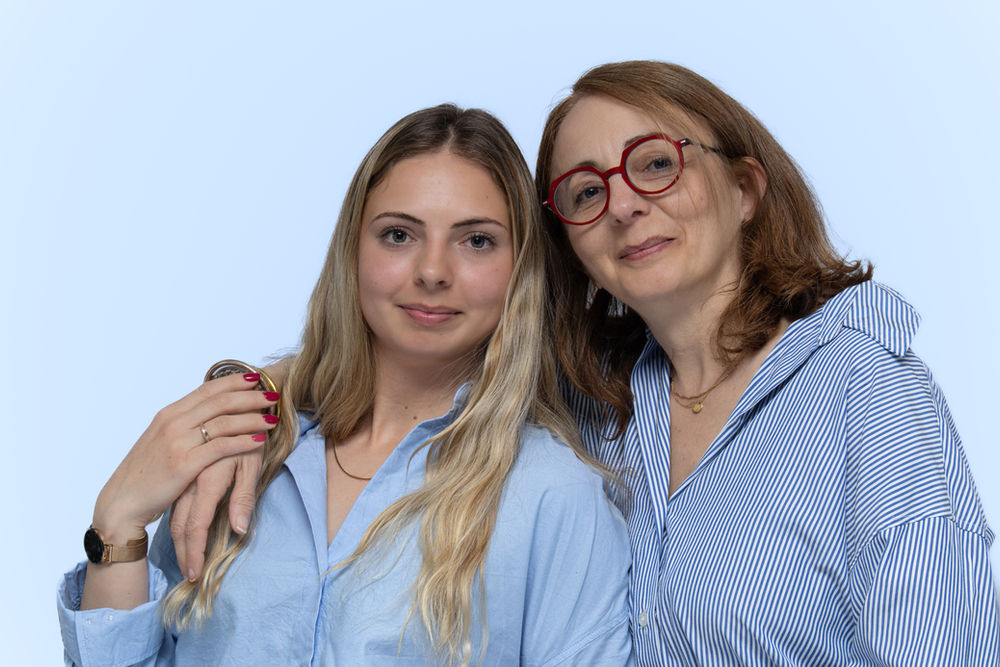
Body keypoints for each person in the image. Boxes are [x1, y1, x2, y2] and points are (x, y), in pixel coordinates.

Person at [173, 62, 1000, 665]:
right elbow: (403, 356)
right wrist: (244, 402)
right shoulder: (600, 398)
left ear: (745, 188)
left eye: (656, 164)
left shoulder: (867, 390)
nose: (626, 202)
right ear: (566, 241)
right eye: (583, 190)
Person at [57, 104, 633, 666]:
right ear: (353, 250)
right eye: (398, 235)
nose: (432, 271)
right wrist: (118, 524)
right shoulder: (239, 452)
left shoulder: (554, 496)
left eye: (476, 240)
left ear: (520, 267)